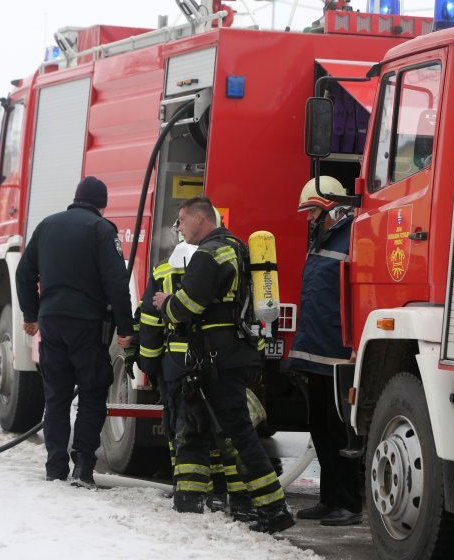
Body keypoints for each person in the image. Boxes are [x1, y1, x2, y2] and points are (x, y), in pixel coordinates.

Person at [152, 196, 294, 534]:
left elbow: (187, 306)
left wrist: (165, 303)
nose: (180, 228)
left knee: (238, 434)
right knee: (201, 426)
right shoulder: (236, 247)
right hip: (230, 355)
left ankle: (273, 508)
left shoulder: (208, 254)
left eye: (182, 221)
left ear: (200, 218)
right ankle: (190, 502)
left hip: (216, 359)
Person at [16, 176, 134, 488]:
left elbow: (24, 272)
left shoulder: (47, 226)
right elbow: (117, 283)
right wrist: (125, 327)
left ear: (75, 198)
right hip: (86, 325)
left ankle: (55, 466)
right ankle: (82, 466)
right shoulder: (101, 230)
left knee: (56, 395)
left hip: (51, 322)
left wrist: (31, 314)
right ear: (102, 205)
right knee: (93, 392)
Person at [138, 234, 255, 521]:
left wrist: (149, 364)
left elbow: (150, 322)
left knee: (185, 430)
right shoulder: (225, 263)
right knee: (222, 430)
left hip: (176, 366)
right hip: (217, 360)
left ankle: (189, 495)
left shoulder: (163, 271)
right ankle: (226, 495)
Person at [286, 176, 363, 527]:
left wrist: (355, 348)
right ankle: (329, 500)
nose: (307, 218)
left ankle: (348, 503)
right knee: (319, 427)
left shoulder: (355, 237)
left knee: (339, 431)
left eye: (311, 211)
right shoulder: (322, 239)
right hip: (316, 351)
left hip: (338, 353)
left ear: (329, 208)